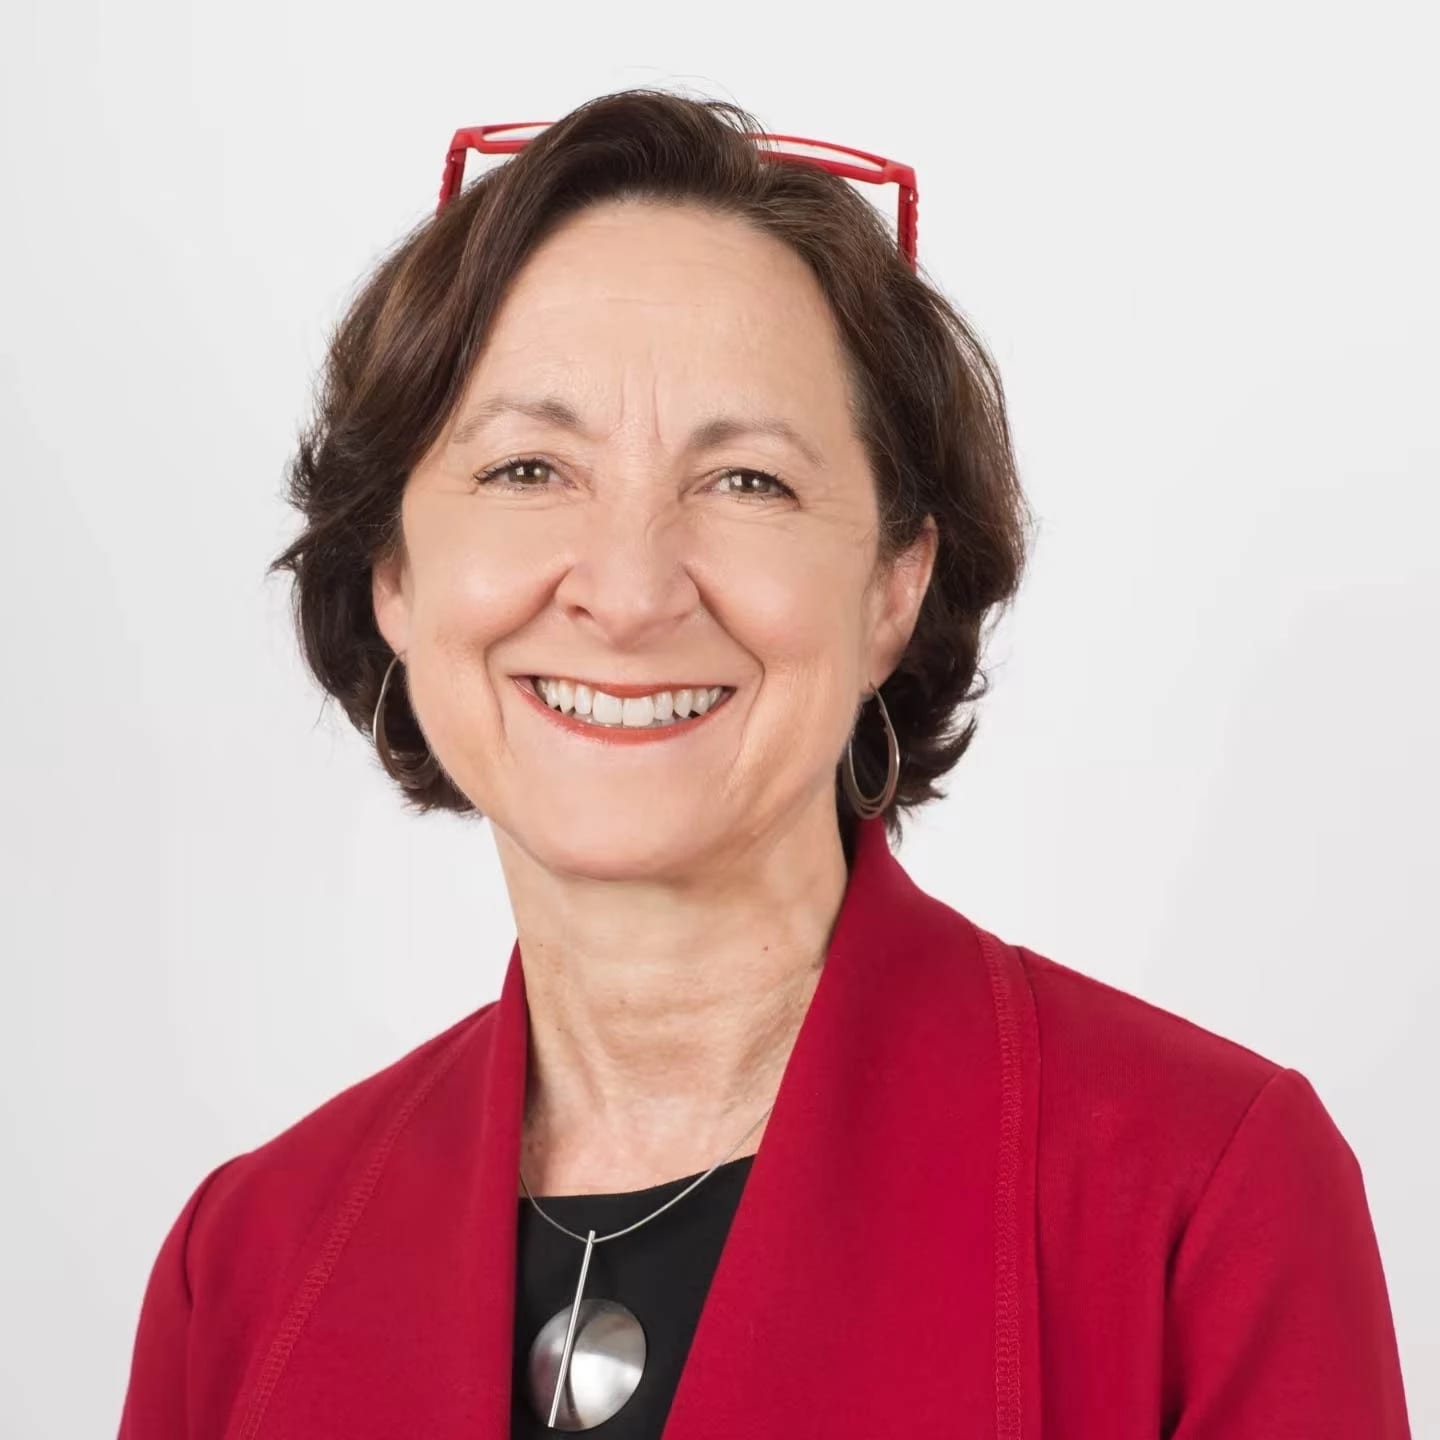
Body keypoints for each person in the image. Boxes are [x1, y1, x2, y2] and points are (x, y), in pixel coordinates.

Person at [116, 89, 1413, 1438]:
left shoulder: (1202, 1201)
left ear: (895, 584)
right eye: (525, 470)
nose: (627, 592)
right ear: (391, 570)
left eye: (748, 483)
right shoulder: (246, 1265)